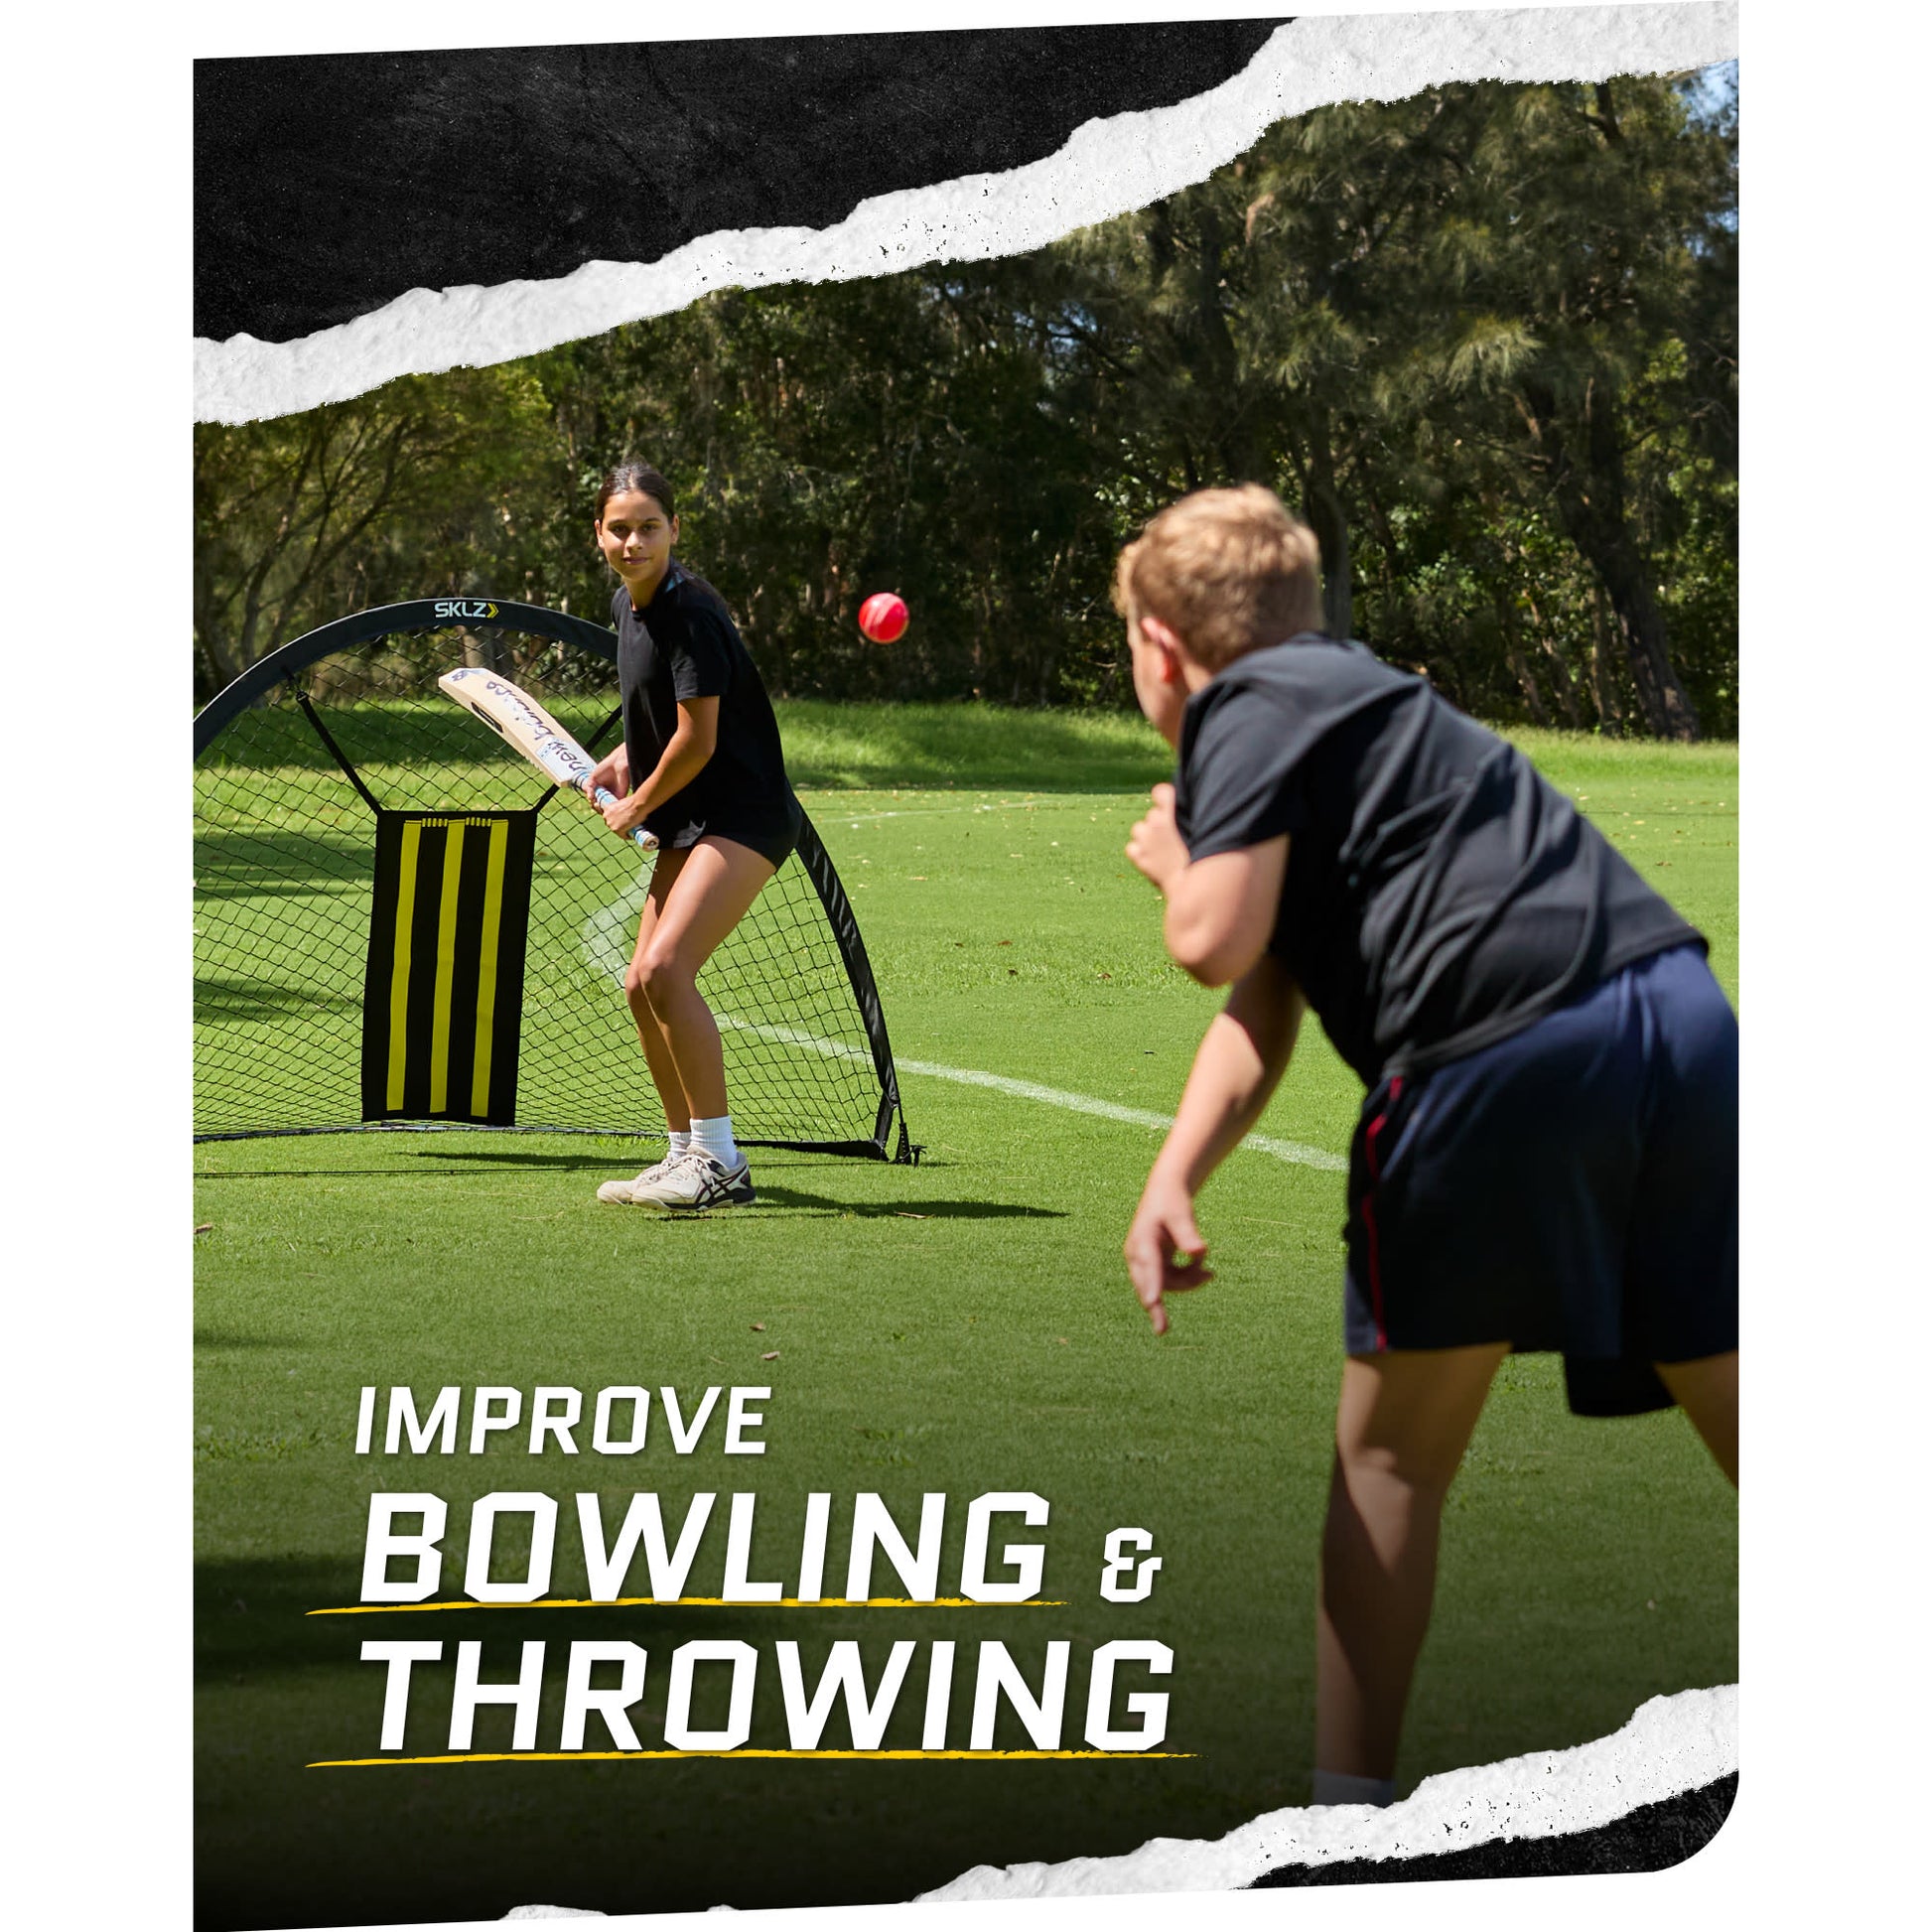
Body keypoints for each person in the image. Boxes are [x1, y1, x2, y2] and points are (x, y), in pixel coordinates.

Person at [1114, 484, 1737, 1808]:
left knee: (1390, 1459)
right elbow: (1267, 994)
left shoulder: (1242, 705)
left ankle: (1347, 1821)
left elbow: (1210, 939)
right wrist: (1175, 1168)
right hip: (1674, 1018)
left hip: (1488, 1055)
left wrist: (1174, 861)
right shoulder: (1367, 695)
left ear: (1162, 647)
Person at [585, 461, 801, 1210]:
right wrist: (621, 761)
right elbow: (659, 719)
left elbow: (700, 741)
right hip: (693, 815)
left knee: (669, 969)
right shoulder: (628, 605)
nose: (634, 541)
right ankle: (683, 1154)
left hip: (743, 812)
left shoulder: (692, 614)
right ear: (600, 534)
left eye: (649, 527)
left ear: (674, 530)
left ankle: (720, 1161)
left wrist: (636, 803)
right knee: (641, 982)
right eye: (620, 528)